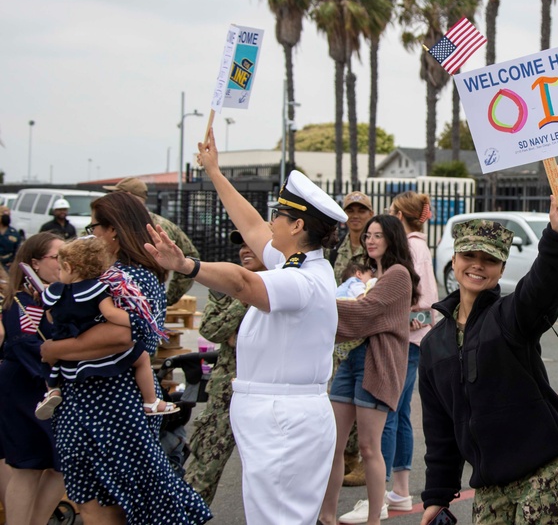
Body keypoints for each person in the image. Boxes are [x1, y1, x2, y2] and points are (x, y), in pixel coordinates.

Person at [146, 130, 346, 525]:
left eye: (280, 215)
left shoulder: (303, 280)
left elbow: (242, 283)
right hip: (275, 411)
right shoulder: (295, 262)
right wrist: (215, 172)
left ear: (297, 225)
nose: (271, 221)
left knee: (279, 519)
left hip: (284, 416)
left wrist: (188, 266)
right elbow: (252, 225)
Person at [39, 191, 211, 524]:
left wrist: (53, 350)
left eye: (94, 227)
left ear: (114, 230)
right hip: (90, 400)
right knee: (96, 499)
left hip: (115, 400)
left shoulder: (128, 278)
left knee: (123, 500)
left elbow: (122, 335)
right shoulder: (109, 276)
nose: (91, 236)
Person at [418, 201, 558, 525]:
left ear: (502, 268)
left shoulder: (510, 317)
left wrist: (557, 237)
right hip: (491, 486)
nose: (477, 266)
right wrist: (436, 498)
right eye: (469, 256)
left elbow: (545, 285)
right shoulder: (432, 346)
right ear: (454, 261)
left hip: (545, 474)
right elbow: (439, 431)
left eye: (489, 259)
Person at [322, 214, 416, 525]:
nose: (370, 240)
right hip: (350, 362)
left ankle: (375, 518)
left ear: (392, 238)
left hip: (377, 363)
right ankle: (326, 515)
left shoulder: (398, 274)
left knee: (368, 446)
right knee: (333, 444)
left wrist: (317, 303)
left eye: (377, 235)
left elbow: (366, 311)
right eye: (368, 235)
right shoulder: (367, 274)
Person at [35, 235, 176, 420]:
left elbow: (50, 317)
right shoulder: (97, 288)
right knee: (141, 358)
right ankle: (150, 400)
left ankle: (52, 391)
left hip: (65, 350)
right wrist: (136, 320)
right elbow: (111, 314)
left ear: (69, 267)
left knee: (47, 360)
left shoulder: (55, 290)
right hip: (98, 354)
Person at [184, 229, 263, 505]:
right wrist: (243, 300)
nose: (244, 250)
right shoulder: (225, 284)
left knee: (269, 472)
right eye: (241, 246)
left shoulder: (281, 284)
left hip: (267, 392)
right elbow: (211, 329)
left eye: (251, 244)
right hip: (225, 390)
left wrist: (238, 334)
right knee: (204, 466)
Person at [0, 233, 67, 525]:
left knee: (61, 465)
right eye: (58, 257)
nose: (65, 263)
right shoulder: (21, 301)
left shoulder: (60, 295)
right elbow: (21, 344)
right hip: (25, 389)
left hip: (49, 388)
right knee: (27, 466)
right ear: (35, 264)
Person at [331, 189, 376, 486]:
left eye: (361, 210)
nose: (356, 216)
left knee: (364, 401)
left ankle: (360, 459)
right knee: (339, 398)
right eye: (351, 210)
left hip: (365, 335)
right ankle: (346, 458)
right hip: (338, 335)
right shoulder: (335, 248)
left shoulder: (374, 249)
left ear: (370, 214)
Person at [104, 177, 200, 306]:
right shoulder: (166, 225)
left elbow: (189, 259)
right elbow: (191, 258)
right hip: (147, 300)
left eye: (115, 194)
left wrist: (169, 297)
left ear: (128, 196)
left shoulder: (121, 225)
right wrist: (167, 298)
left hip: (122, 300)